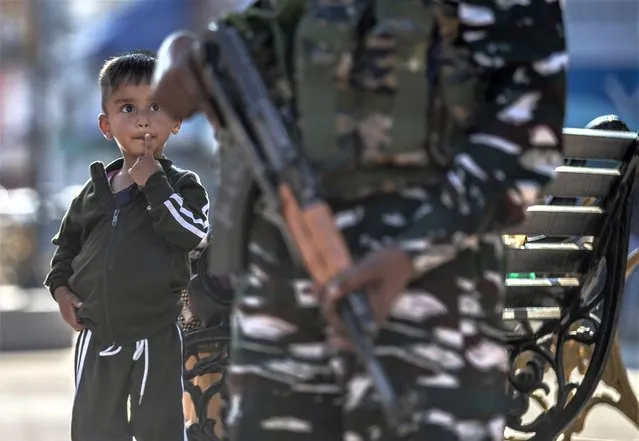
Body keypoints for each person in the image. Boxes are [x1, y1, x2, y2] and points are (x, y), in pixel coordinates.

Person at [152, 0, 567, 440]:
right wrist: (183, 57)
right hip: (284, 300)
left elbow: (528, 125)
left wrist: (413, 251)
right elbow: (256, 37)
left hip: (428, 307)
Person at [44, 51, 210, 441]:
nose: (142, 119)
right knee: (94, 429)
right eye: (127, 107)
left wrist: (154, 183)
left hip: (157, 333)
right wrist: (61, 289)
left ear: (176, 120)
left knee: (160, 429)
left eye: (156, 106)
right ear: (106, 124)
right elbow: (66, 249)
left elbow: (193, 234)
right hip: (97, 334)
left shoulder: (183, 184)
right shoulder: (94, 191)